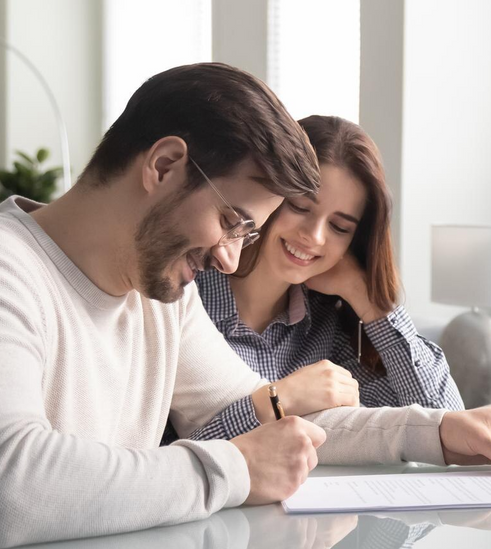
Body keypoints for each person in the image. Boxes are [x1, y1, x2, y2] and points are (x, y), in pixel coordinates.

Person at [0, 63, 491, 549]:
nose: (227, 257)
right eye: (231, 220)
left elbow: (292, 424)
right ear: (163, 165)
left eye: (244, 233)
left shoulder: (156, 295)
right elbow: (2, 496)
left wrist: (439, 431)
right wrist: (238, 467)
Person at [174, 115, 461, 444]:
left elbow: (444, 420)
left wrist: (368, 299)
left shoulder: (330, 331)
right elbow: (174, 456)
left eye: (340, 228)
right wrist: (281, 399)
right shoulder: (183, 297)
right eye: (299, 206)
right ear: (270, 195)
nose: (313, 236)